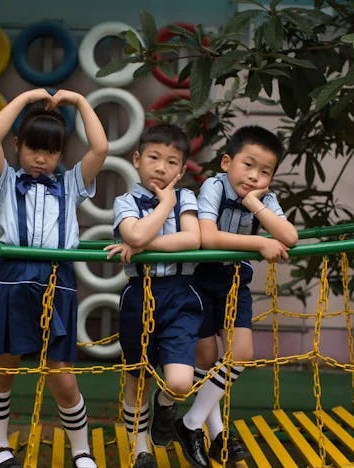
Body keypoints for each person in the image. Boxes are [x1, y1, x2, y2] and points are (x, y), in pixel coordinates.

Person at [0, 88, 107, 468]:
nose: (40, 158)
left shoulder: (70, 185)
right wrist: (26, 98)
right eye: (33, 148)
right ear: (18, 144)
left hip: (57, 278)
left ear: (60, 154)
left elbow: (100, 148)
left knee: (61, 375)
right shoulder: (4, 182)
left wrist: (80, 102)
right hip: (12, 278)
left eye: (50, 151)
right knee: (3, 367)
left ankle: (81, 451)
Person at [179, 125, 299, 466]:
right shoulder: (214, 187)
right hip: (200, 281)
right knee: (205, 359)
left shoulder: (264, 200)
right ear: (226, 162)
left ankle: (190, 423)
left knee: (240, 354)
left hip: (234, 283)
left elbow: (290, 237)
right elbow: (208, 237)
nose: (255, 176)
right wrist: (260, 242)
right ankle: (217, 435)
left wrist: (254, 204)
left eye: (265, 171)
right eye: (248, 165)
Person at [103, 124, 204, 468]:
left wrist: (143, 245)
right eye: (154, 158)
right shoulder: (125, 201)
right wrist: (164, 206)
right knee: (138, 376)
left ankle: (165, 404)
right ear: (137, 159)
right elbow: (134, 233)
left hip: (180, 295)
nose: (161, 168)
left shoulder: (186, 198)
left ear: (181, 170)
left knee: (180, 382)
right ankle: (139, 446)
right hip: (139, 294)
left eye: (171, 162)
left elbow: (192, 240)